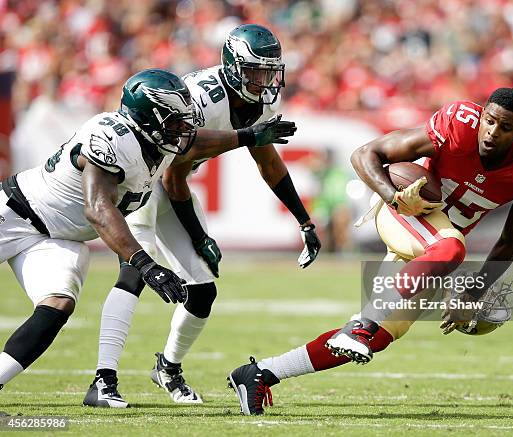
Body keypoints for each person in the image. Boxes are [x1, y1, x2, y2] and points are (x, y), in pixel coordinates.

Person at [227, 87, 513, 415]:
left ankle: (260, 374)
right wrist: (393, 196)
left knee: (384, 334)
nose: (491, 132)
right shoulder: (458, 126)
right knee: (452, 248)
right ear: (482, 115)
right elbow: (364, 154)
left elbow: (510, 240)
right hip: (406, 213)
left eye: (505, 127)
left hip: (431, 249)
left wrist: (473, 292)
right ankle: (360, 325)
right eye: (489, 121)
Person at [0, 67, 296, 395]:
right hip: (14, 214)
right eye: (174, 120)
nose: (184, 129)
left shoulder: (159, 139)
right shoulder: (109, 137)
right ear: (149, 117)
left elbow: (197, 140)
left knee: (58, 304)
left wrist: (249, 136)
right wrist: (146, 264)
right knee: (120, 279)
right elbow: (98, 210)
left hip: (57, 239)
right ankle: (105, 378)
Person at [83, 24, 320, 408]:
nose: (264, 82)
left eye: (269, 72)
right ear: (232, 67)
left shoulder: (260, 102)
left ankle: (168, 368)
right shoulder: (200, 100)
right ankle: (103, 379)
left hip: (169, 181)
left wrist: (304, 220)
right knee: (135, 271)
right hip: (141, 176)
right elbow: (174, 174)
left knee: (202, 291)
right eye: (256, 72)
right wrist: (198, 235)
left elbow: (268, 161)